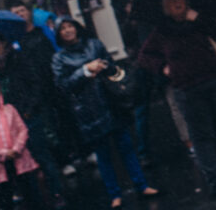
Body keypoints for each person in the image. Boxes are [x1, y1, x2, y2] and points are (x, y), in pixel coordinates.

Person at [137, 0, 216, 198]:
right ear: (165, 7)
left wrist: (199, 18)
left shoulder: (201, 19)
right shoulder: (161, 31)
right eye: (172, 0)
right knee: (202, 137)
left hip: (215, 81)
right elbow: (144, 57)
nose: (177, 2)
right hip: (186, 89)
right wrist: (162, 67)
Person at [52, 18, 158, 208]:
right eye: (63, 29)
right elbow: (63, 86)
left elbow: (112, 68)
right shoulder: (59, 58)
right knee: (103, 154)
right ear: (59, 34)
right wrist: (85, 70)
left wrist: (103, 67)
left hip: (110, 102)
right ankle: (114, 194)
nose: (68, 31)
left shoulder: (95, 44)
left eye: (70, 26)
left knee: (126, 145)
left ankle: (141, 185)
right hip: (88, 110)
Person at [0, 31, 65, 208]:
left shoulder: (18, 59)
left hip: (27, 115)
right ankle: (35, 198)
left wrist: (28, 109)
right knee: (20, 162)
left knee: (41, 154)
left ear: (4, 43)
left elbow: (35, 84)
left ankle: (56, 193)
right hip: (7, 121)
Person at [0, 79, 42, 210]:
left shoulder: (10, 110)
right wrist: (3, 153)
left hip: (18, 156)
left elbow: (22, 129)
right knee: (6, 194)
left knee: (28, 189)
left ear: (0, 95)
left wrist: (16, 148)